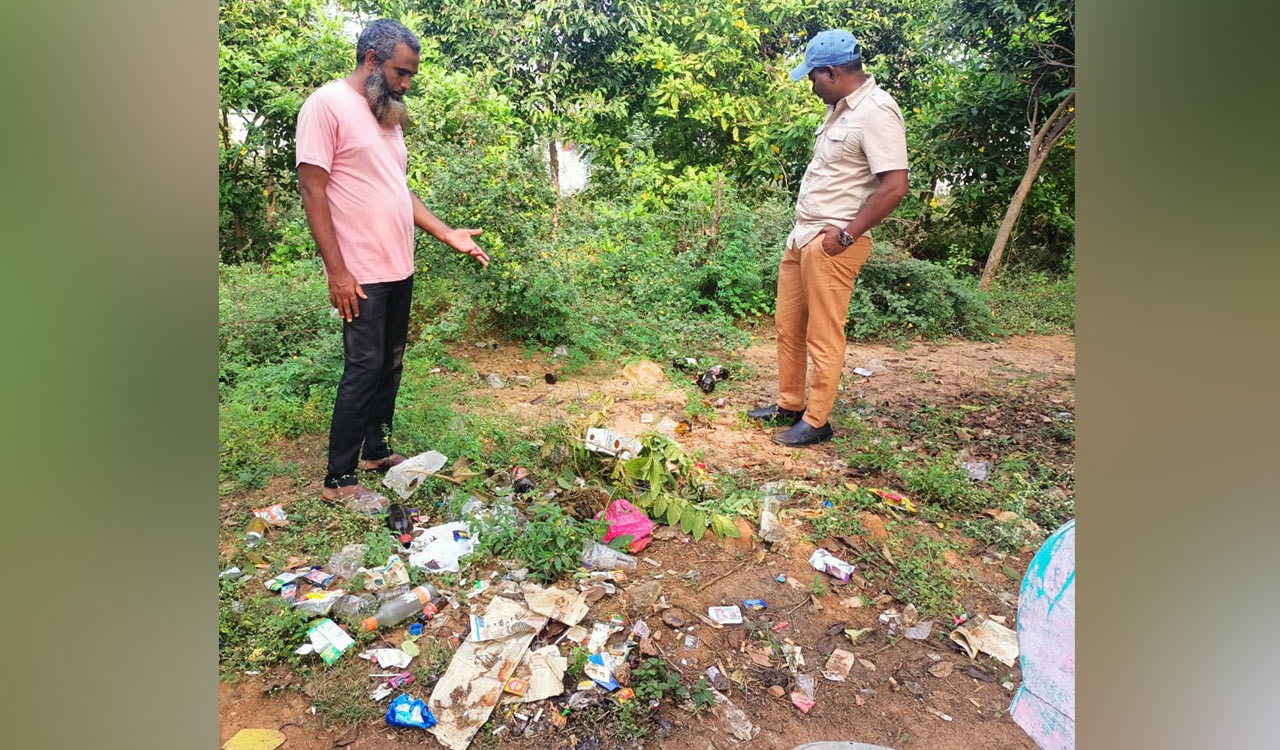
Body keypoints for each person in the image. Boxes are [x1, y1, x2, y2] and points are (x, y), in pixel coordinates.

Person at [295, 19, 490, 501]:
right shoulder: (326, 106)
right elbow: (311, 189)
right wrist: (337, 272)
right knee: (363, 367)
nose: (406, 83)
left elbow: (396, 189)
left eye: (410, 75)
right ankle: (339, 481)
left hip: (397, 265)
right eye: (402, 73)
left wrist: (447, 233)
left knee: (390, 364)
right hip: (359, 272)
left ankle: (376, 450)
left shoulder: (384, 114)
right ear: (371, 61)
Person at [748, 28, 909, 446]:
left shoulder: (877, 111)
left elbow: (894, 185)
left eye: (813, 77)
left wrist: (847, 235)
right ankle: (790, 403)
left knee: (823, 334)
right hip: (803, 237)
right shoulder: (840, 110)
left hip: (832, 243)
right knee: (788, 326)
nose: (811, 85)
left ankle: (817, 420)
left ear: (833, 72)